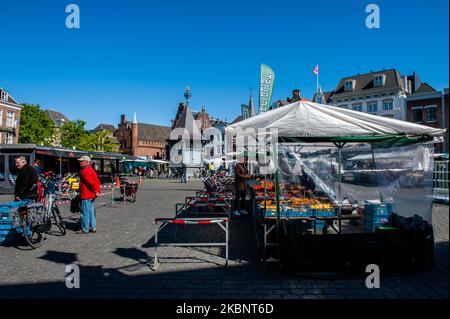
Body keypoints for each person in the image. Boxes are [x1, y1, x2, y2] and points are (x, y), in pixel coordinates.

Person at [75, 156, 101, 235]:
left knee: (85, 213)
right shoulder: (91, 169)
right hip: (91, 194)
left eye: (82, 161)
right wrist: (97, 191)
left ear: (87, 162)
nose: (80, 162)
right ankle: (93, 227)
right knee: (91, 212)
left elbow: (90, 183)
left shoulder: (85, 171)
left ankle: (85, 229)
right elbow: (97, 181)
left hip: (86, 194)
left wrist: (96, 190)